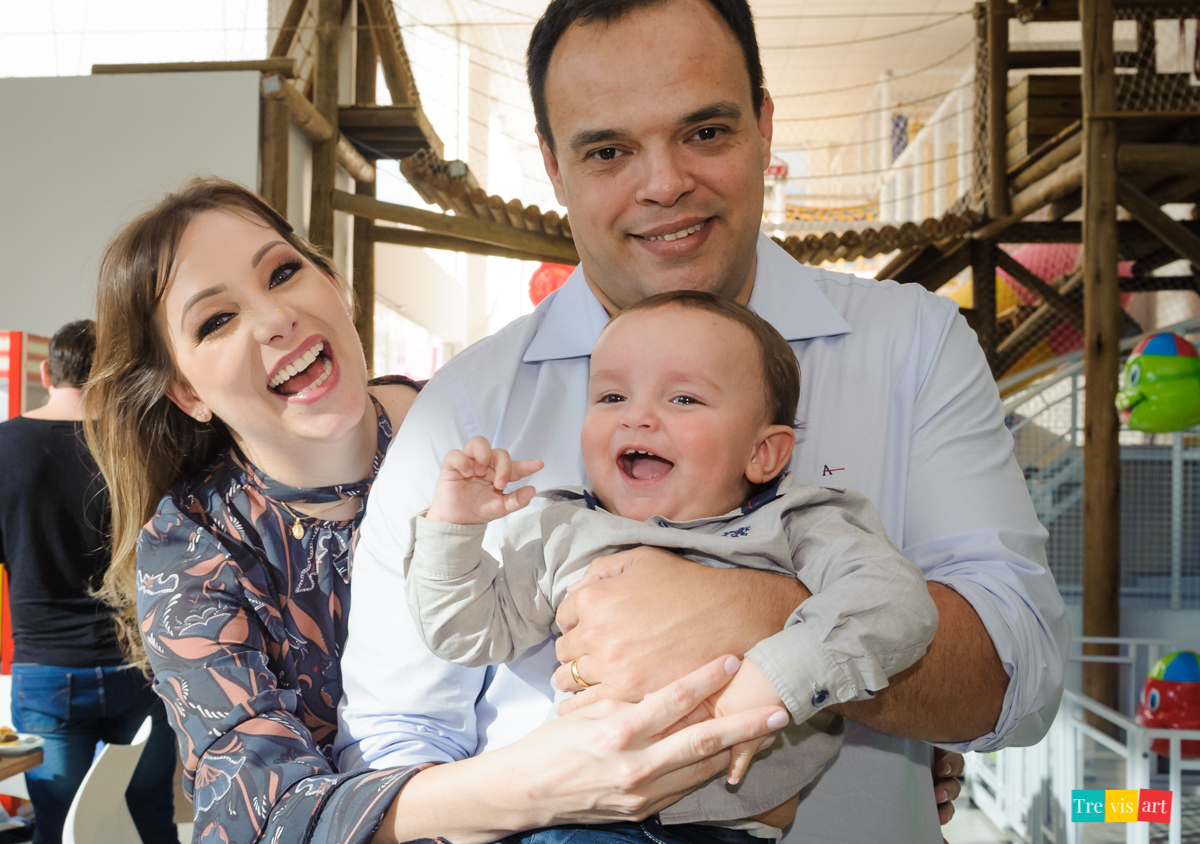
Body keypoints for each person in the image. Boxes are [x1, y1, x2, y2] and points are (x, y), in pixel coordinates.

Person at [337, 0, 1072, 840]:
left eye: (706, 132)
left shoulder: (910, 343)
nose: (663, 183)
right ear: (552, 165)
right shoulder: (464, 408)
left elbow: (1024, 672)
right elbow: (392, 750)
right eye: (609, 150)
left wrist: (763, 623)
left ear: (763, 126)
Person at [84, 177, 788, 844]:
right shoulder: (194, 541)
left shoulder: (478, 417)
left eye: (282, 273)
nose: (274, 318)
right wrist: (538, 785)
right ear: (185, 391)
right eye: (217, 320)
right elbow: (256, 808)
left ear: (332, 282)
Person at [406, 291, 940, 838]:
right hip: (582, 815)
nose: (637, 416)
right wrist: (454, 531)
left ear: (764, 453)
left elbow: (896, 604)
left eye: (683, 399)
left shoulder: (801, 523)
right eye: (611, 396)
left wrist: (775, 678)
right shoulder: (563, 527)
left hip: (728, 828)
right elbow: (463, 635)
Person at [0, 320, 179, 844]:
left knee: (57, 831)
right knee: (152, 824)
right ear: (110, 376)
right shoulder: (139, 448)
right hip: (138, 667)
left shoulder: (3, 448)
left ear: (44, 371)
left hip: (46, 672)